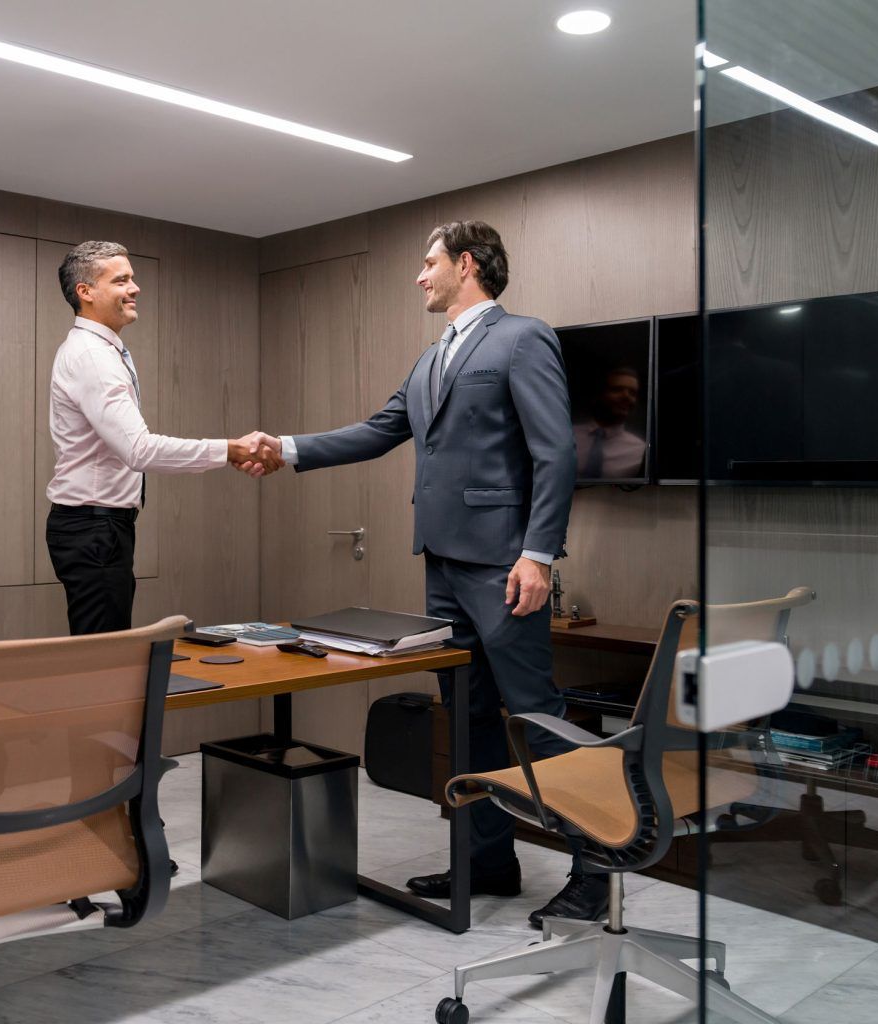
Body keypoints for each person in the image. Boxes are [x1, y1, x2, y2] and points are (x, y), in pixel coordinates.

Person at [249, 220, 606, 928]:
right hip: (442, 565)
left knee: (537, 717)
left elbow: (556, 452)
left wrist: (539, 553)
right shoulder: (430, 359)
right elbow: (378, 430)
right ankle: (489, 861)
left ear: (465, 264)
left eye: (428, 262)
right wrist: (283, 447)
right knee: (466, 718)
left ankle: (596, 868)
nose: (420, 275)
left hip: (505, 565)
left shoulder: (522, 338)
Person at [46, 240, 278, 635]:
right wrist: (230, 449)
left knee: (106, 648)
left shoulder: (101, 350)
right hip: (94, 527)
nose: (134, 288)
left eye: (132, 278)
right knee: (105, 656)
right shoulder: (93, 357)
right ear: (85, 292)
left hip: (99, 526)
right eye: (121, 281)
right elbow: (139, 450)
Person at [573, 366, 647, 479]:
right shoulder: (568, 436)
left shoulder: (641, 452)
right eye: (617, 389)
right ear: (598, 394)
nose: (626, 396)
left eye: (632, 393)